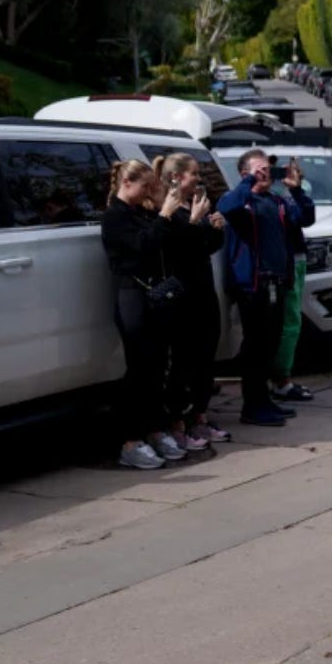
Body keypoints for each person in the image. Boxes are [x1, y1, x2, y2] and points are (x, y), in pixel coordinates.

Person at [99, 159, 188, 469]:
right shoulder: (115, 216)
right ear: (127, 183)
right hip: (131, 294)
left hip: (153, 294)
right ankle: (130, 439)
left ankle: (154, 428)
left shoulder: (140, 212)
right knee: (139, 368)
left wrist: (170, 212)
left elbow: (166, 242)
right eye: (145, 186)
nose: (149, 192)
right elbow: (141, 245)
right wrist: (163, 216)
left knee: (157, 367)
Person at [152, 153, 233, 447]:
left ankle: (200, 417)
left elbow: (204, 247)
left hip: (203, 289)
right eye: (194, 174)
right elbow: (176, 249)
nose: (199, 179)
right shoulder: (168, 209)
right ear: (176, 177)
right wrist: (195, 222)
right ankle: (177, 423)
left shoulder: (193, 205)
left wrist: (215, 227)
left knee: (205, 357)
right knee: (183, 361)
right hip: (182, 293)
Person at [219, 149, 298, 427]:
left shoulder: (276, 201)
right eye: (259, 169)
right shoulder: (241, 200)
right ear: (245, 173)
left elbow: (304, 218)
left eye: (268, 169)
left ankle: (263, 400)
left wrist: (295, 190)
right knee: (255, 346)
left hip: (277, 281)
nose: (266, 173)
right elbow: (226, 208)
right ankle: (252, 406)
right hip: (253, 285)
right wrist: (249, 182)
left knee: (270, 345)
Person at [270, 157, 317, 404]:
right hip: (276, 268)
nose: (273, 174)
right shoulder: (258, 197)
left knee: (291, 322)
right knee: (286, 324)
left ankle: (282, 378)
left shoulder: (288, 195)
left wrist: (296, 189)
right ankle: (280, 380)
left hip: (293, 261)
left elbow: (305, 217)